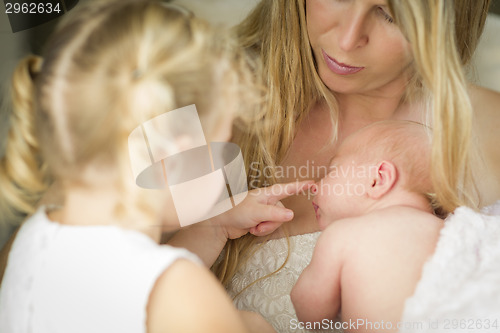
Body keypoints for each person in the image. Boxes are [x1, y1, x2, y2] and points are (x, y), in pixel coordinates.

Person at [184, 1, 499, 332]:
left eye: (393, 15)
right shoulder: (199, 96)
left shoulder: (490, 133)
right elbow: (133, 287)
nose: (348, 40)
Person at [0, 0, 313, 331]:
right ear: (175, 158)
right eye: (223, 145)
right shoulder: (183, 295)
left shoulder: (36, 237)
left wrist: (215, 226)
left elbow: (128, 281)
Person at [290, 120, 443, 332]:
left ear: (378, 179)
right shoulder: (449, 230)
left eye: (331, 172)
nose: (316, 186)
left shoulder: (343, 234)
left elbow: (311, 315)